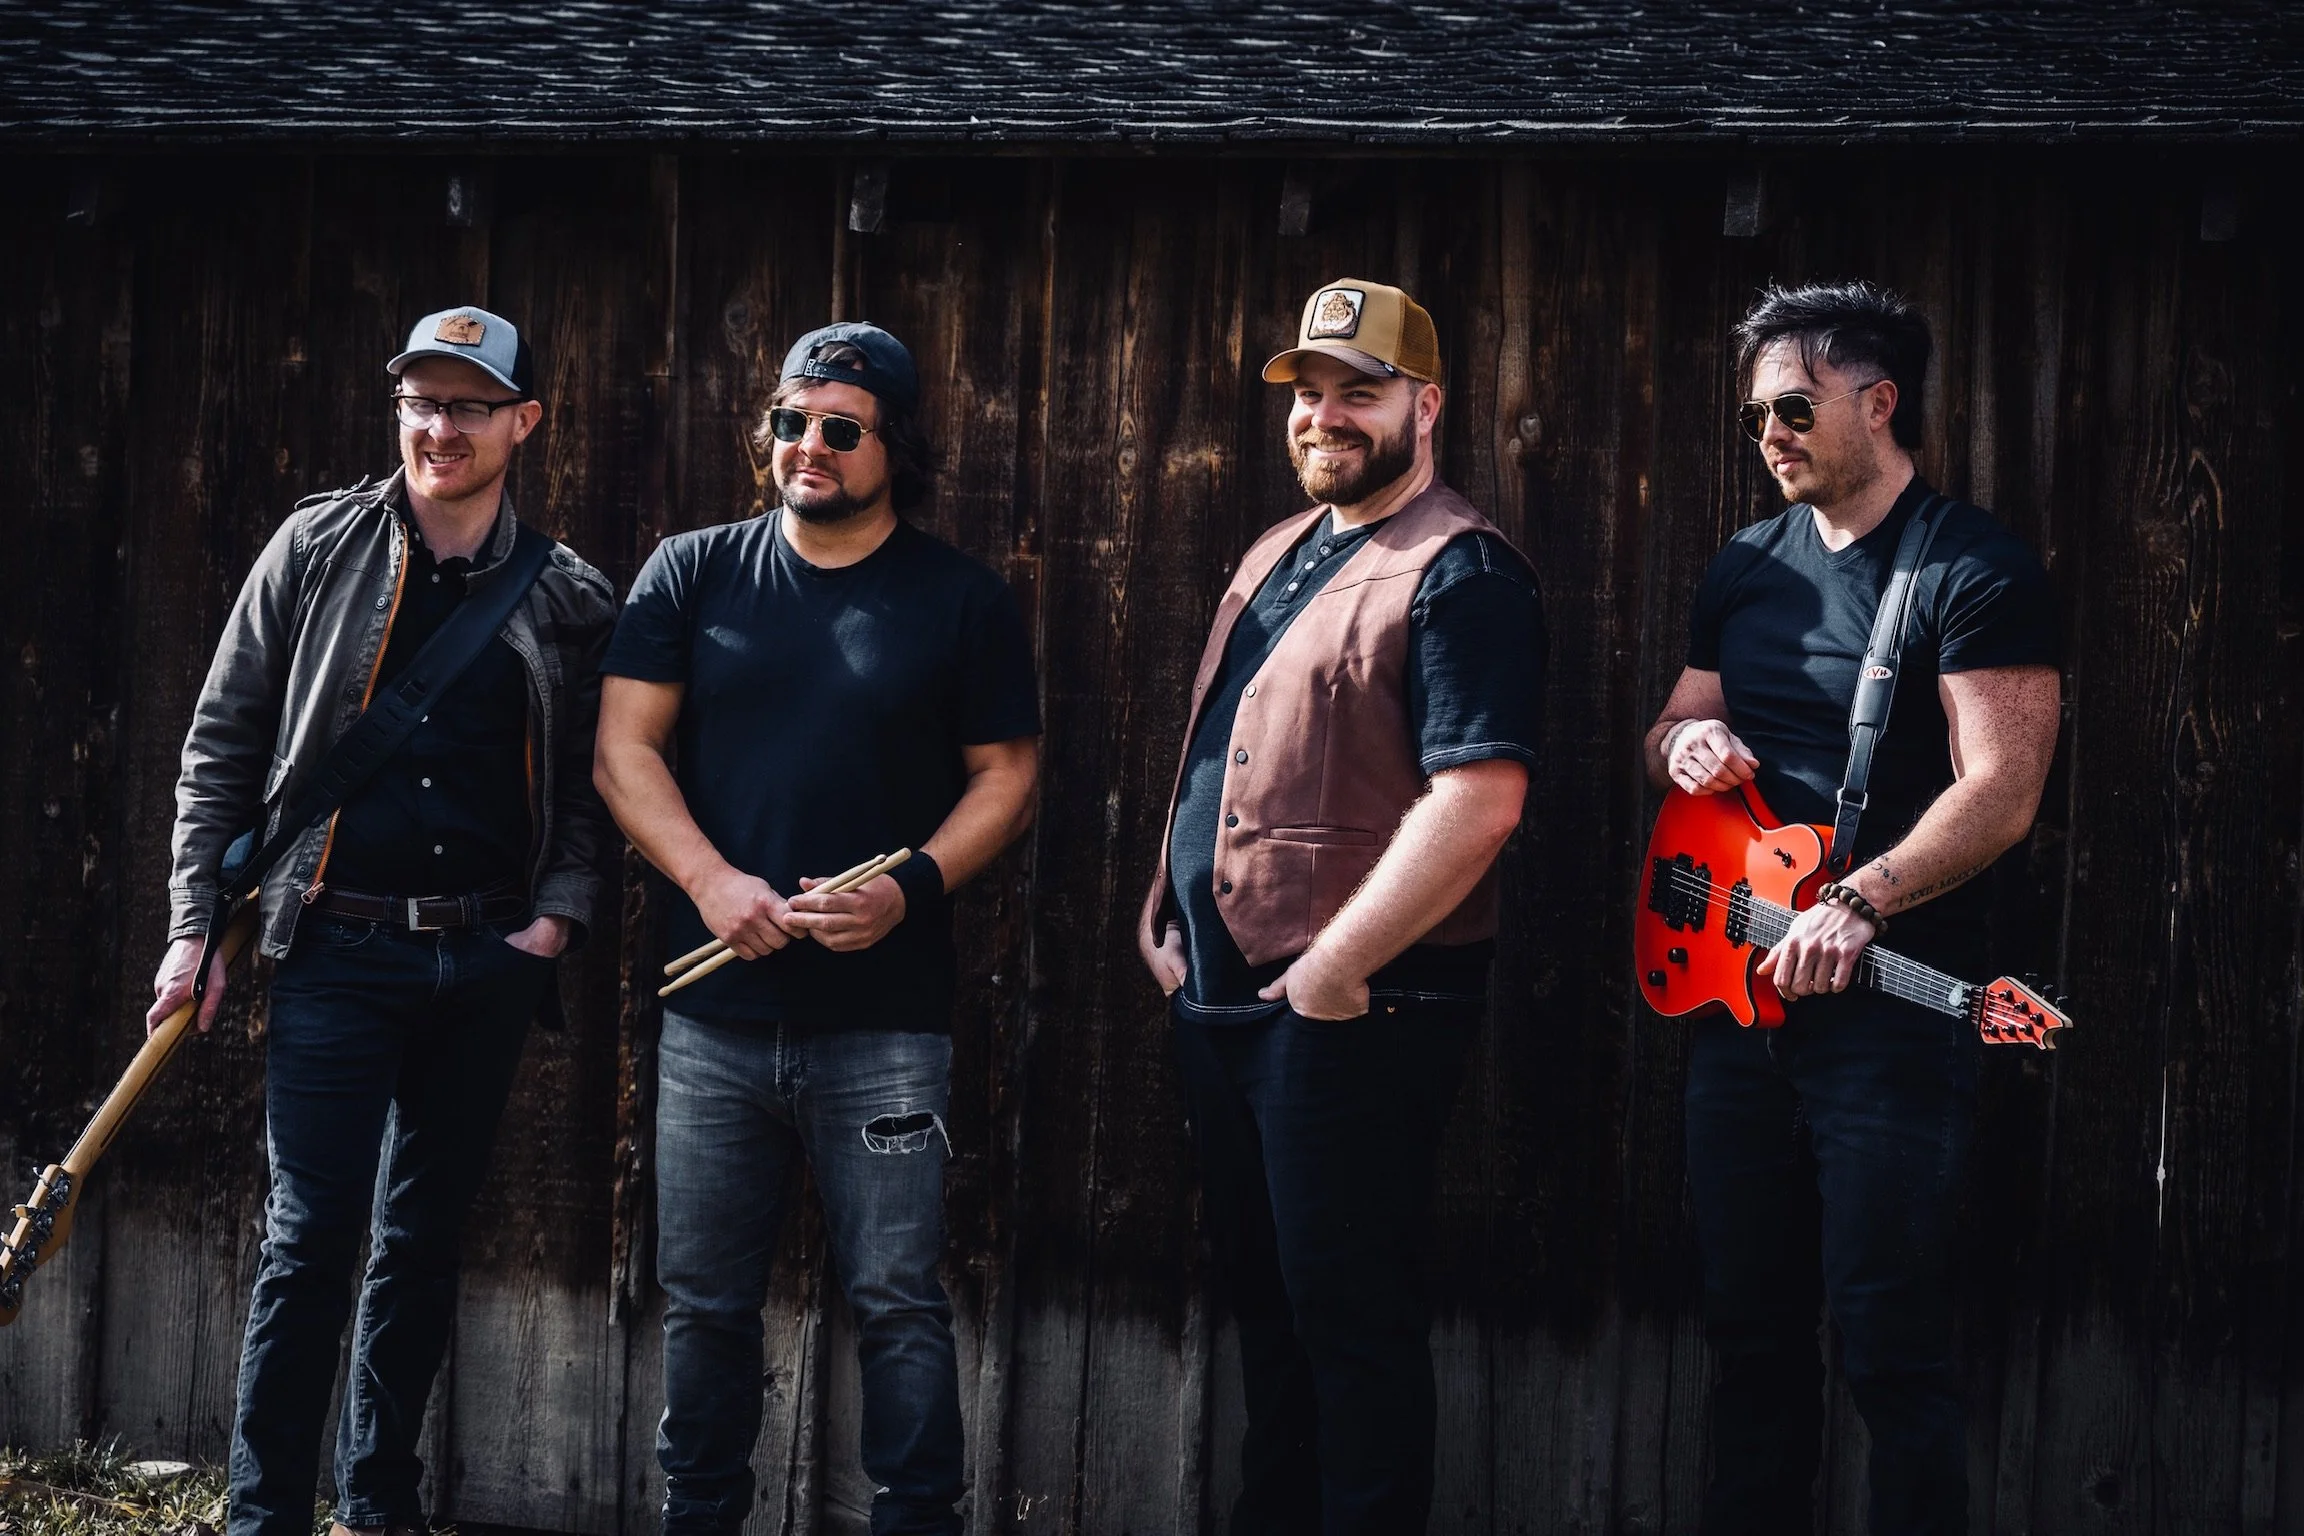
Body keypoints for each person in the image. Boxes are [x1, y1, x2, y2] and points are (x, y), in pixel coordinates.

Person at [150, 306, 619, 1536]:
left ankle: (379, 1502)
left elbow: (588, 791)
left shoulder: (568, 595)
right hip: (335, 950)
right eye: (421, 401)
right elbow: (221, 744)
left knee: (420, 1243)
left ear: (524, 422)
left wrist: (554, 925)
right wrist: (194, 926)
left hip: (484, 957)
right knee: (309, 1244)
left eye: (469, 405)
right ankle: (266, 1517)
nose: (440, 427)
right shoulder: (316, 548)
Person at [593, 322, 1041, 1536]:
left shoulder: (960, 599)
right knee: (703, 1303)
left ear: (897, 448)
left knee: (898, 1300)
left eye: (842, 428)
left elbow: (1006, 777)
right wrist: (710, 883)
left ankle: (916, 1520)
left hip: (886, 1026)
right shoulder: (693, 572)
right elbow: (623, 749)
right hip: (714, 1023)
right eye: (791, 423)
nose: (810, 446)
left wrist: (912, 889)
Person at [1642, 281, 2061, 1534]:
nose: (1768, 434)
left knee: (1892, 1342)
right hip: (1735, 998)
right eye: (1756, 414)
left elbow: (2003, 792)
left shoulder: (1974, 568)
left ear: (1879, 404)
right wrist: (1682, 750)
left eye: (1794, 407)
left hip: (1890, 1021)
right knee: (1748, 1333)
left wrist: (1863, 899)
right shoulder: (1746, 563)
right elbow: (1671, 727)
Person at [1137, 279, 1547, 1534]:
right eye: (1309, 393)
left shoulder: (1464, 568)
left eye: (1358, 393)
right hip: (1225, 1000)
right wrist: (1163, 909)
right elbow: (1226, 747)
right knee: (1270, 1319)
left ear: (1427, 406)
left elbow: (1480, 800)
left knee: (1351, 1327)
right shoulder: (1279, 548)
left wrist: (1335, 969)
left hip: (1355, 1012)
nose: (1324, 416)